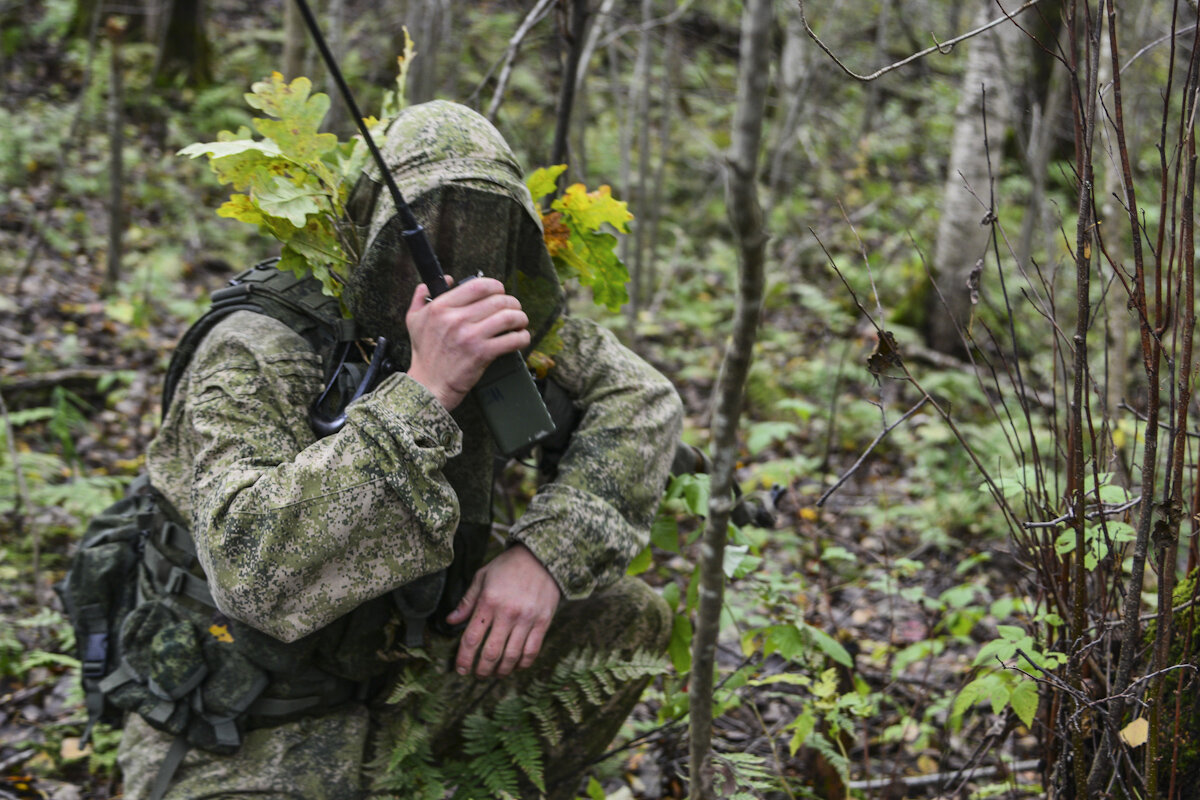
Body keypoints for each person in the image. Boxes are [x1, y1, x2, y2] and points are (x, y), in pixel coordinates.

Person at [115, 100, 683, 799]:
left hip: (402, 689)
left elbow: (643, 398)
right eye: (426, 229)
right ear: (366, 233)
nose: (455, 264)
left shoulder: (504, 321)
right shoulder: (258, 348)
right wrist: (426, 389)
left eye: (488, 233)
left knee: (625, 619)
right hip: (243, 729)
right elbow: (248, 572)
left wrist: (546, 556)